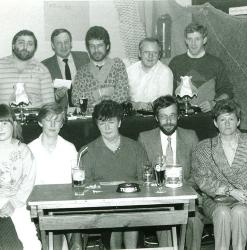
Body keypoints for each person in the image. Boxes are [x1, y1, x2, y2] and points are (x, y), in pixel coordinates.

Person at [78, 100, 148, 249]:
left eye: (111, 122)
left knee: (130, 216)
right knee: (114, 220)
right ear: (97, 125)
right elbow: (85, 188)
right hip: (103, 208)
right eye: (102, 123)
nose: (107, 127)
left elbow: (145, 181)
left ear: (119, 123)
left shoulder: (136, 148)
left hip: (133, 204)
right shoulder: (87, 151)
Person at [138, 95, 202, 250]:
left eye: (172, 115)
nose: (168, 121)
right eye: (163, 117)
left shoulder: (190, 136)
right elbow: (143, 174)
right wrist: (159, 191)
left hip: (186, 193)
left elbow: (199, 171)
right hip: (159, 197)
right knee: (164, 217)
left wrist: (186, 189)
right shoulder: (145, 138)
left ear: (178, 116)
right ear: (156, 118)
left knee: (195, 219)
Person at [192, 99, 247, 250]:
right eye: (222, 119)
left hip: (246, 198)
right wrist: (230, 191)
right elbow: (202, 179)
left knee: (240, 211)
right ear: (215, 123)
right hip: (215, 199)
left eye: (231, 119)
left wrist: (245, 194)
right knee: (223, 212)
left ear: (238, 122)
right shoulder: (204, 147)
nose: (227, 123)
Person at [28, 103, 81, 249]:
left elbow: (77, 182)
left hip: (66, 207)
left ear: (62, 124)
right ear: (40, 122)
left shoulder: (69, 148)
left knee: (76, 244)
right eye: (48, 120)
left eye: (57, 120)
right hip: (42, 209)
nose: (52, 124)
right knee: (53, 245)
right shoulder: (30, 149)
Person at [0, 104, 41, 249]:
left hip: (17, 201)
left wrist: (14, 202)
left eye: (5, 123)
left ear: (14, 124)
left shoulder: (23, 150)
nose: (0, 128)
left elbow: (28, 181)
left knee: (30, 241)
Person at [169, 22, 233, 113]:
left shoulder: (216, 63)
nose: (193, 43)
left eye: (197, 39)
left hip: (207, 117)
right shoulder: (175, 62)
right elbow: (168, 93)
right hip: (180, 116)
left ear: (205, 40)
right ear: (185, 40)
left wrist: (213, 103)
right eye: (190, 39)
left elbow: (227, 91)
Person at [72, 26, 129, 113]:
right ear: (88, 48)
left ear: (107, 46)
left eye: (100, 45)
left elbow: (122, 94)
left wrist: (98, 104)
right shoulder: (82, 72)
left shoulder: (117, 65)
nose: (96, 50)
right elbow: (76, 99)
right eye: (92, 46)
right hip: (90, 120)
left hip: (114, 117)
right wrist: (101, 92)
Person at [0, 30, 55, 107]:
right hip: (4, 118)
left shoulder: (42, 70)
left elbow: (50, 107)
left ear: (35, 48)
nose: (25, 47)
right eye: (21, 43)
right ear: (13, 45)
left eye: (30, 44)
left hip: (35, 118)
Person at [42, 28, 89, 109]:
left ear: (71, 43)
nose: (63, 46)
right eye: (59, 43)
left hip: (85, 110)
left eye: (66, 42)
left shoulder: (84, 58)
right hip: (61, 115)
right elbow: (43, 99)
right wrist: (56, 97)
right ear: (53, 45)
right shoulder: (45, 66)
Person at [127, 37, 173, 110]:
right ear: (139, 53)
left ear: (159, 55)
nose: (150, 56)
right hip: (132, 115)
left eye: (154, 53)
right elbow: (123, 99)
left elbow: (165, 103)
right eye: (146, 52)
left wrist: (146, 107)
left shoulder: (165, 73)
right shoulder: (129, 71)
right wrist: (135, 105)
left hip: (154, 117)